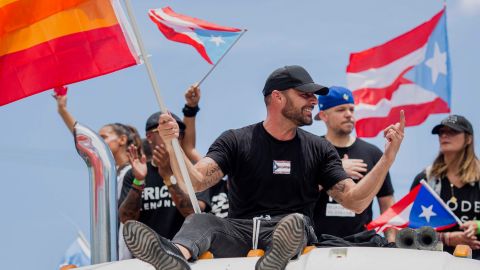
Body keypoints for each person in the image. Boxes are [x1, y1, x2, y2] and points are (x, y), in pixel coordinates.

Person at [123, 65, 405, 270]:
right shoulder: (237, 140)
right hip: (239, 231)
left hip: (289, 230)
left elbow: (356, 202)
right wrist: (173, 144)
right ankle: (175, 257)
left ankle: (276, 259)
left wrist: (388, 157)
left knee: (295, 223)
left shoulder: (319, 148)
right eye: (305, 94)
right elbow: (195, 182)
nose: (313, 101)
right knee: (200, 221)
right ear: (278, 97)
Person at [314, 86, 395, 242]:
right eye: (341, 110)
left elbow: (387, 203)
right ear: (324, 115)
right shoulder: (312, 149)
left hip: (362, 244)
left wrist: (392, 243)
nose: (349, 115)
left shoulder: (373, 153)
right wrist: (335, 172)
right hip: (316, 244)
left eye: (352, 109)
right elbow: (297, 195)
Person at [118, 112, 210, 241]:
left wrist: (168, 177)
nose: (174, 137)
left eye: (179, 133)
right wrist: (138, 181)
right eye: (166, 131)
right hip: (146, 257)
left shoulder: (193, 170)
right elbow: (126, 219)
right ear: (149, 136)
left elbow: (195, 214)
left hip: (187, 255)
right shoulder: (134, 173)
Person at [411, 115, 480, 259]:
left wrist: (478, 226)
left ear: (468, 139)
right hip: (435, 262)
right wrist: (447, 238)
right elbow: (410, 231)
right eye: (441, 132)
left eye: (453, 132)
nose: (444, 135)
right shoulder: (426, 179)